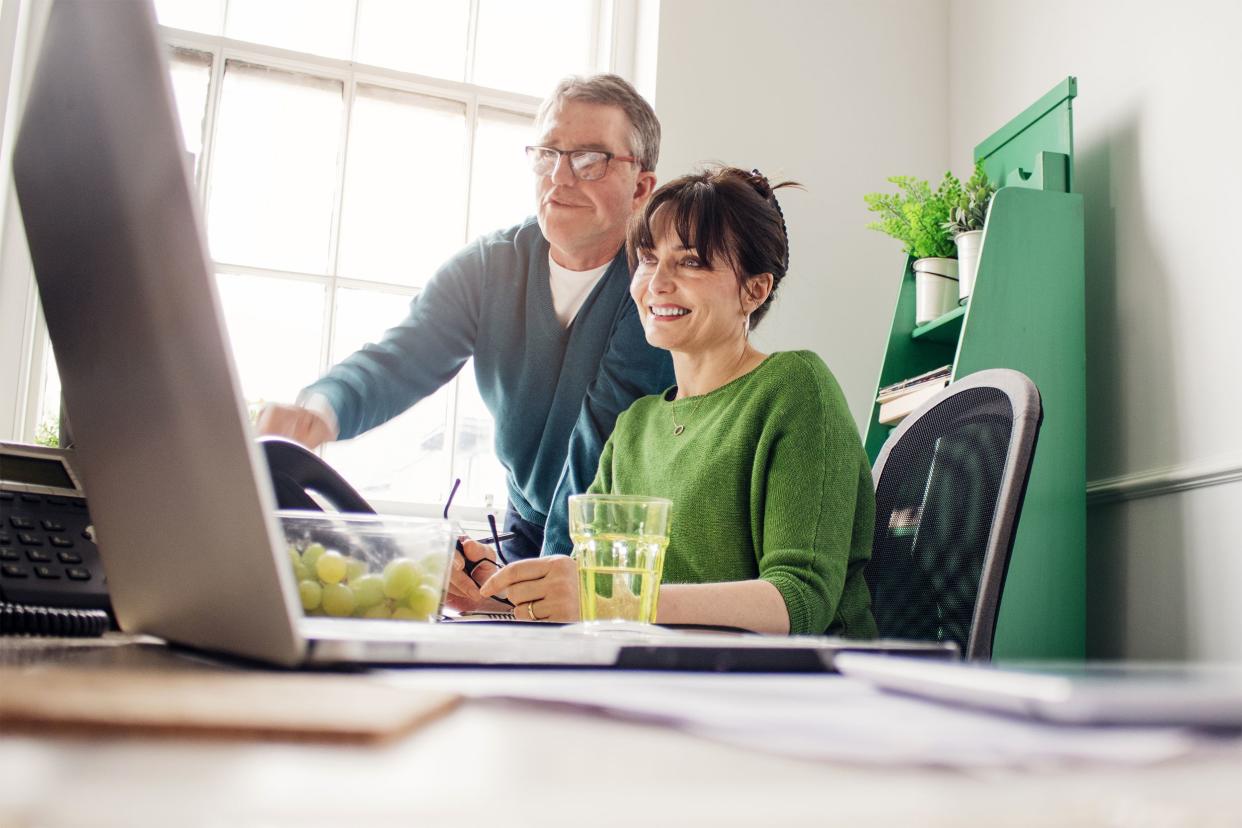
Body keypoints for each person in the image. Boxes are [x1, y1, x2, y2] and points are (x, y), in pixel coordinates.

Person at [257, 75, 675, 583]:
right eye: (548, 154)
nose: (561, 177)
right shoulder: (488, 266)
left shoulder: (658, 286)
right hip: (531, 530)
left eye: (590, 159)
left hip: (620, 548)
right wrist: (317, 412)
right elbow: (404, 353)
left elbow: (601, 439)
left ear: (642, 187)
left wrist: (542, 580)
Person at [472, 166, 877, 637]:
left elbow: (800, 600)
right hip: (663, 678)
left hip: (788, 690)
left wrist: (608, 600)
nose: (657, 282)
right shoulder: (635, 426)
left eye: (691, 262)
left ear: (754, 289)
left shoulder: (794, 388)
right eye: (648, 258)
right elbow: (586, 592)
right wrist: (494, 587)